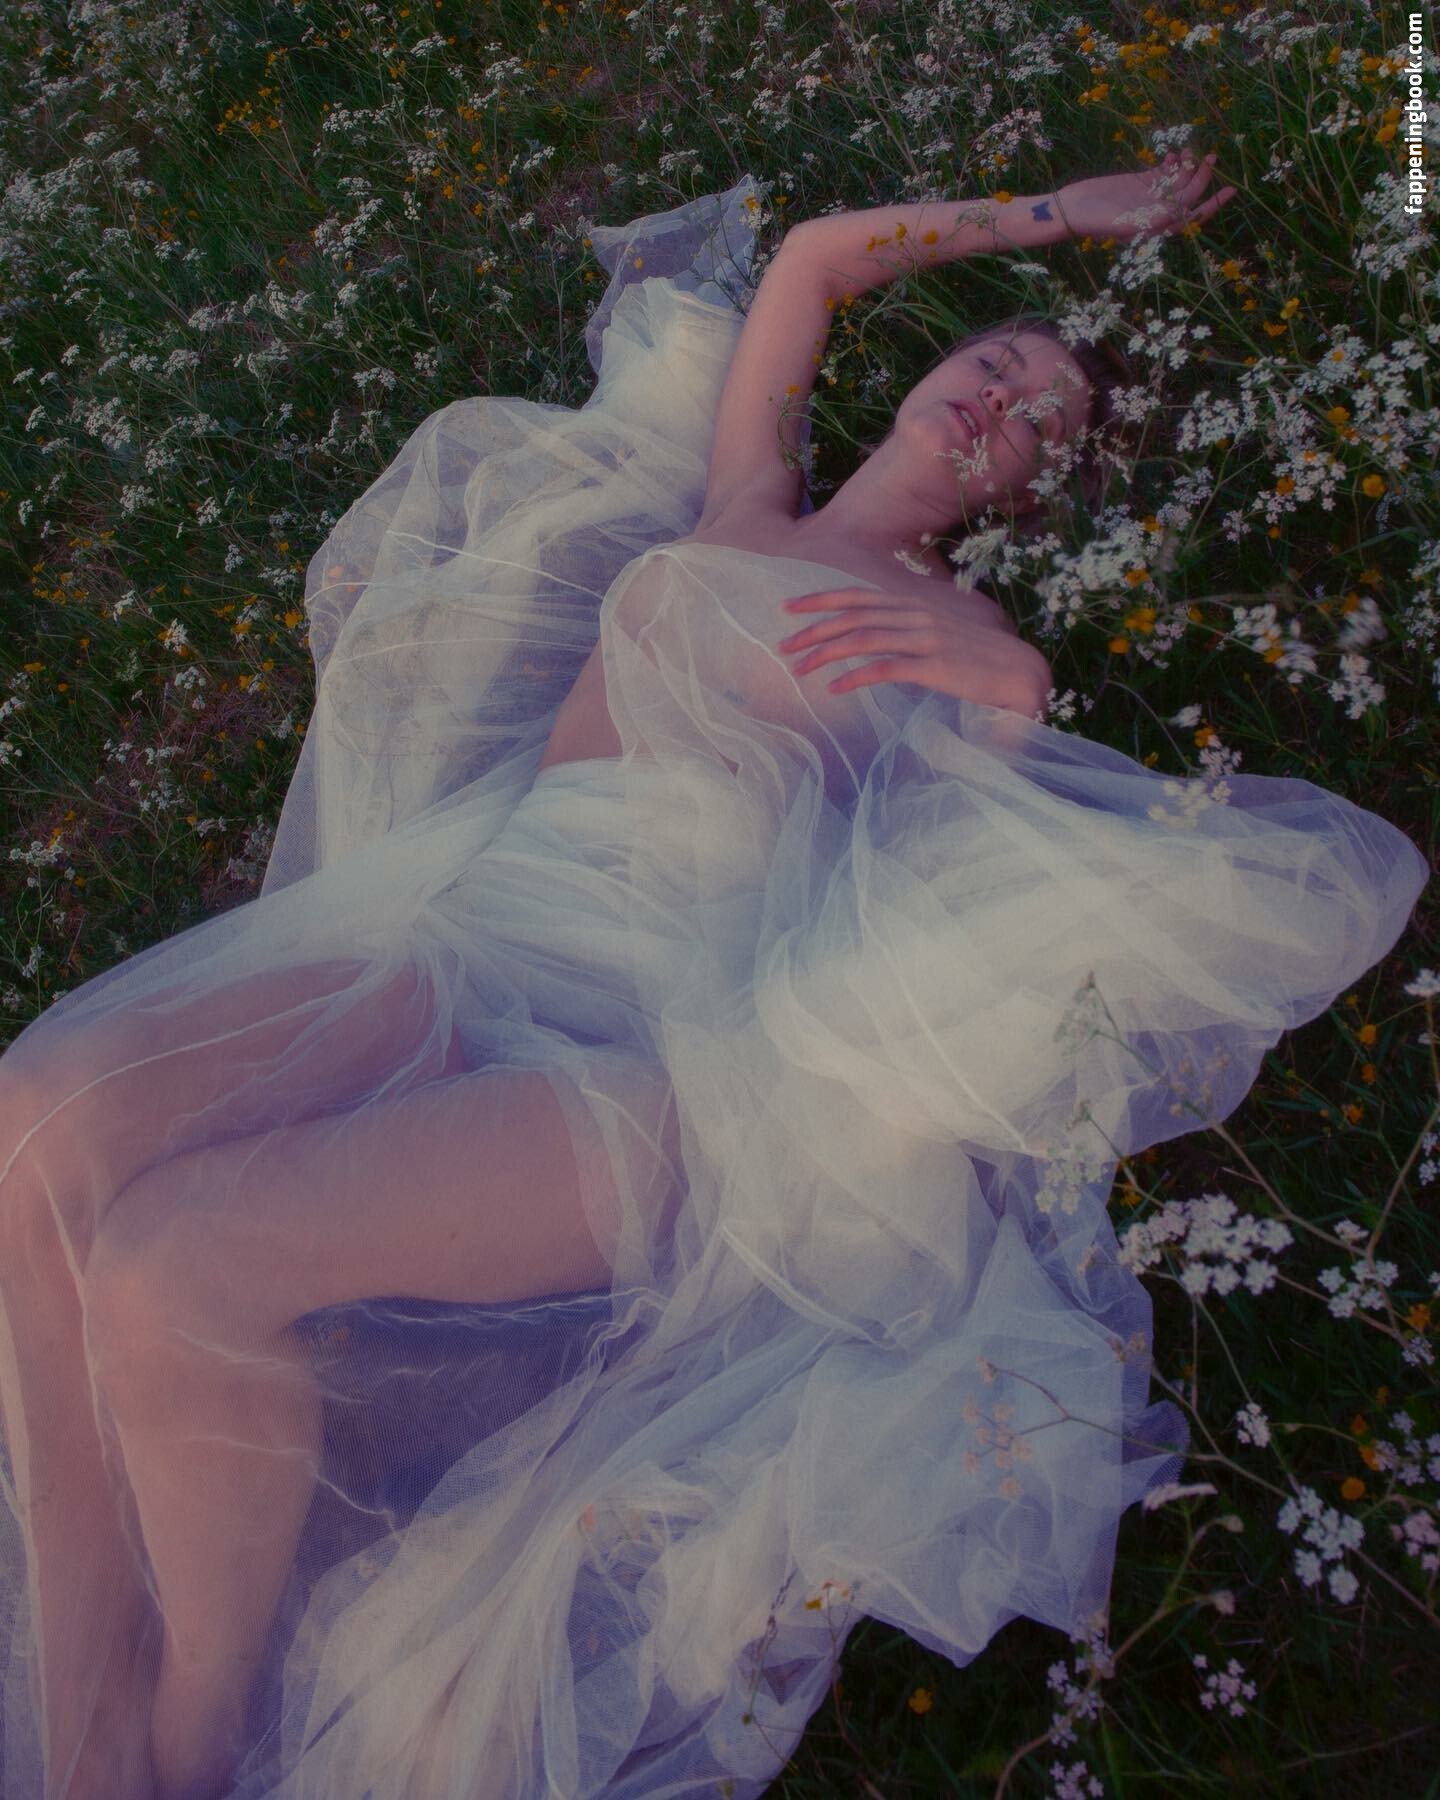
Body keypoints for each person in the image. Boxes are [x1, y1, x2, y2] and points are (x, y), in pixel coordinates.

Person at [0, 166, 1426, 1800]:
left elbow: (960, 907)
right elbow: (813, 262)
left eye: (1043, 419)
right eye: (999, 364)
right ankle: (83, 1694)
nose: (1001, 401)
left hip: (647, 1045)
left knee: (174, 1267)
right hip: (466, 941)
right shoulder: (746, 503)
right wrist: (1056, 213)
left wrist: (1009, 690)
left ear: (1036, 495)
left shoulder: (958, 641)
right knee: (34, 1123)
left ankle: (177, 1749)